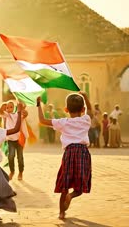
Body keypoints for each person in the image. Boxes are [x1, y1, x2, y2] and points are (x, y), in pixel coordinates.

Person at [36, 92, 92, 220]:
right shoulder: (85, 120)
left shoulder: (63, 122)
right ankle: (71, 196)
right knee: (80, 185)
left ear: (66, 109)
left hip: (69, 152)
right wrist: (85, 97)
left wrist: (39, 105)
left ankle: (62, 213)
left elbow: (42, 120)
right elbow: (91, 112)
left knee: (65, 184)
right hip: (83, 153)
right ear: (83, 109)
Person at [0, 100, 28, 180]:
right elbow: (1, 111)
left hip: (19, 140)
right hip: (10, 140)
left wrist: (23, 109)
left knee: (20, 157)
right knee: (11, 156)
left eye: (11, 107)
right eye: (7, 107)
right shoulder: (6, 115)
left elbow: (25, 115)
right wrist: (3, 106)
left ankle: (21, 172)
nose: (9, 108)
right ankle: (12, 171)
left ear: (14, 108)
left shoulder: (18, 115)